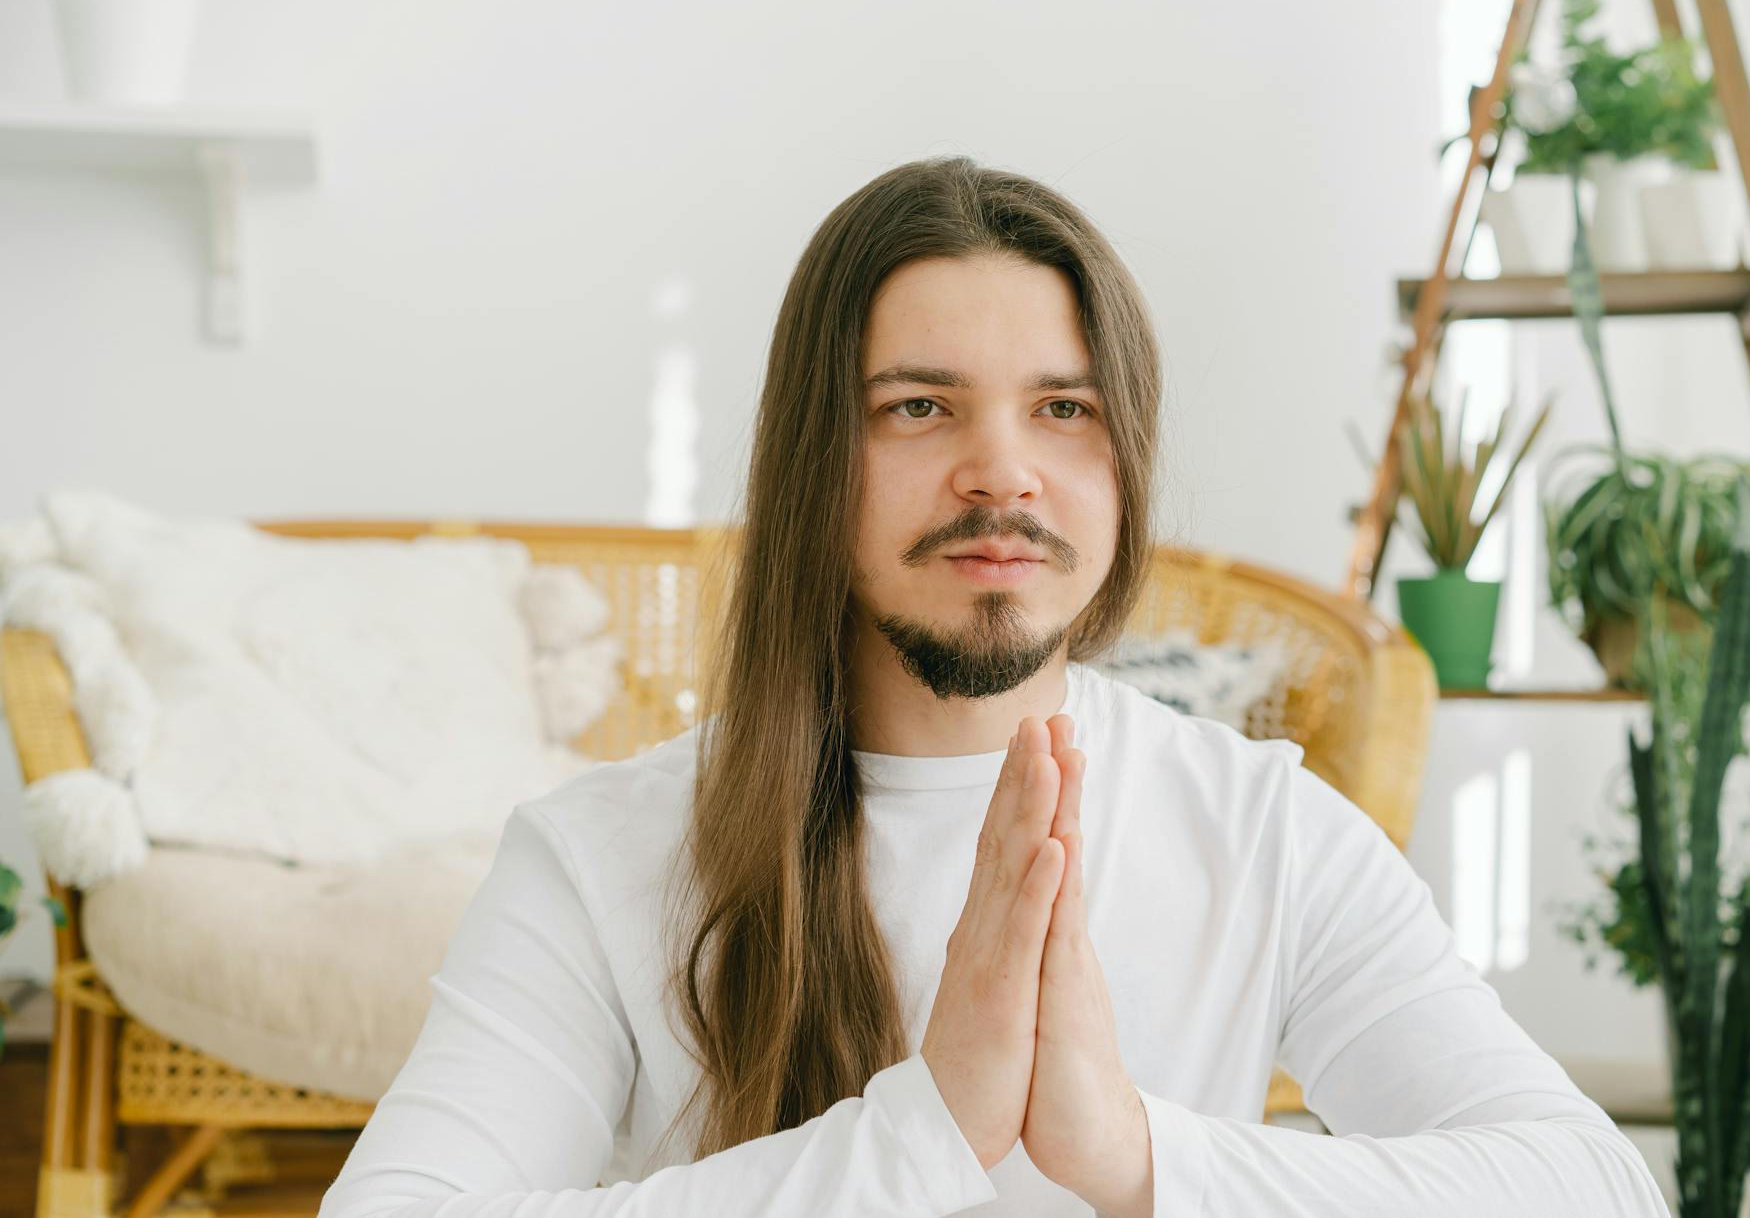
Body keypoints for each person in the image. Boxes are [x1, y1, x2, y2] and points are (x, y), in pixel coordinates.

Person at [318, 155, 1670, 1216]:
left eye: (1064, 409)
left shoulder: (1261, 825)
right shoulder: (600, 857)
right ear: (815, 460)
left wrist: (1139, 1155)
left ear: (1122, 459)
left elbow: (1591, 1190)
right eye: (921, 406)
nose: (1003, 471)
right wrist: (918, 1133)